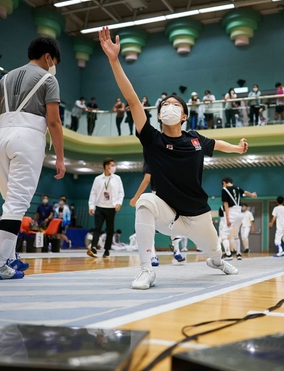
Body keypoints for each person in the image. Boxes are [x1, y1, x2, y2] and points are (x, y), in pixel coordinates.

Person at [99, 26, 247, 289]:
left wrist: (237, 148)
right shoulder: (152, 139)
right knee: (144, 202)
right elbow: (133, 100)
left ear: (184, 115)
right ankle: (146, 270)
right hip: (168, 214)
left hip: (198, 214)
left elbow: (217, 144)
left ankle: (217, 262)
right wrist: (114, 60)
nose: (169, 106)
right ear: (158, 115)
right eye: (164, 105)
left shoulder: (195, 139)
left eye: (175, 105)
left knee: (215, 250)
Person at [0, 36, 65, 280]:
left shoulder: (5, 78)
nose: (54, 66)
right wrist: (60, 157)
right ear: (48, 57)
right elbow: (54, 121)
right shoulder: (49, 79)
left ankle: (10, 257)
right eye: (54, 61)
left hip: (1, 138)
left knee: (10, 200)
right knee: (16, 203)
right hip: (27, 139)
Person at [88, 157, 125, 258]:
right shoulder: (98, 179)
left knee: (109, 229)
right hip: (99, 206)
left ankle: (107, 249)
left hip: (111, 207)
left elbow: (121, 192)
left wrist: (119, 203)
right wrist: (91, 206)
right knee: (97, 228)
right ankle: (93, 247)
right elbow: (93, 193)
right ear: (106, 166)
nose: (114, 167)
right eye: (112, 165)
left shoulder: (117, 178)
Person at [220, 176, 257, 260]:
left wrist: (227, 218)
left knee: (224, 236)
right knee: (236, 235)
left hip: (232, 213)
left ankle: (228, 255)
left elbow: (226, 204)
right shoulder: (237, 188)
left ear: (224, 182)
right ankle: (239, 254)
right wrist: (252, 195)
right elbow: (245, 192)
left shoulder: (224, 190)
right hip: (240, 214)